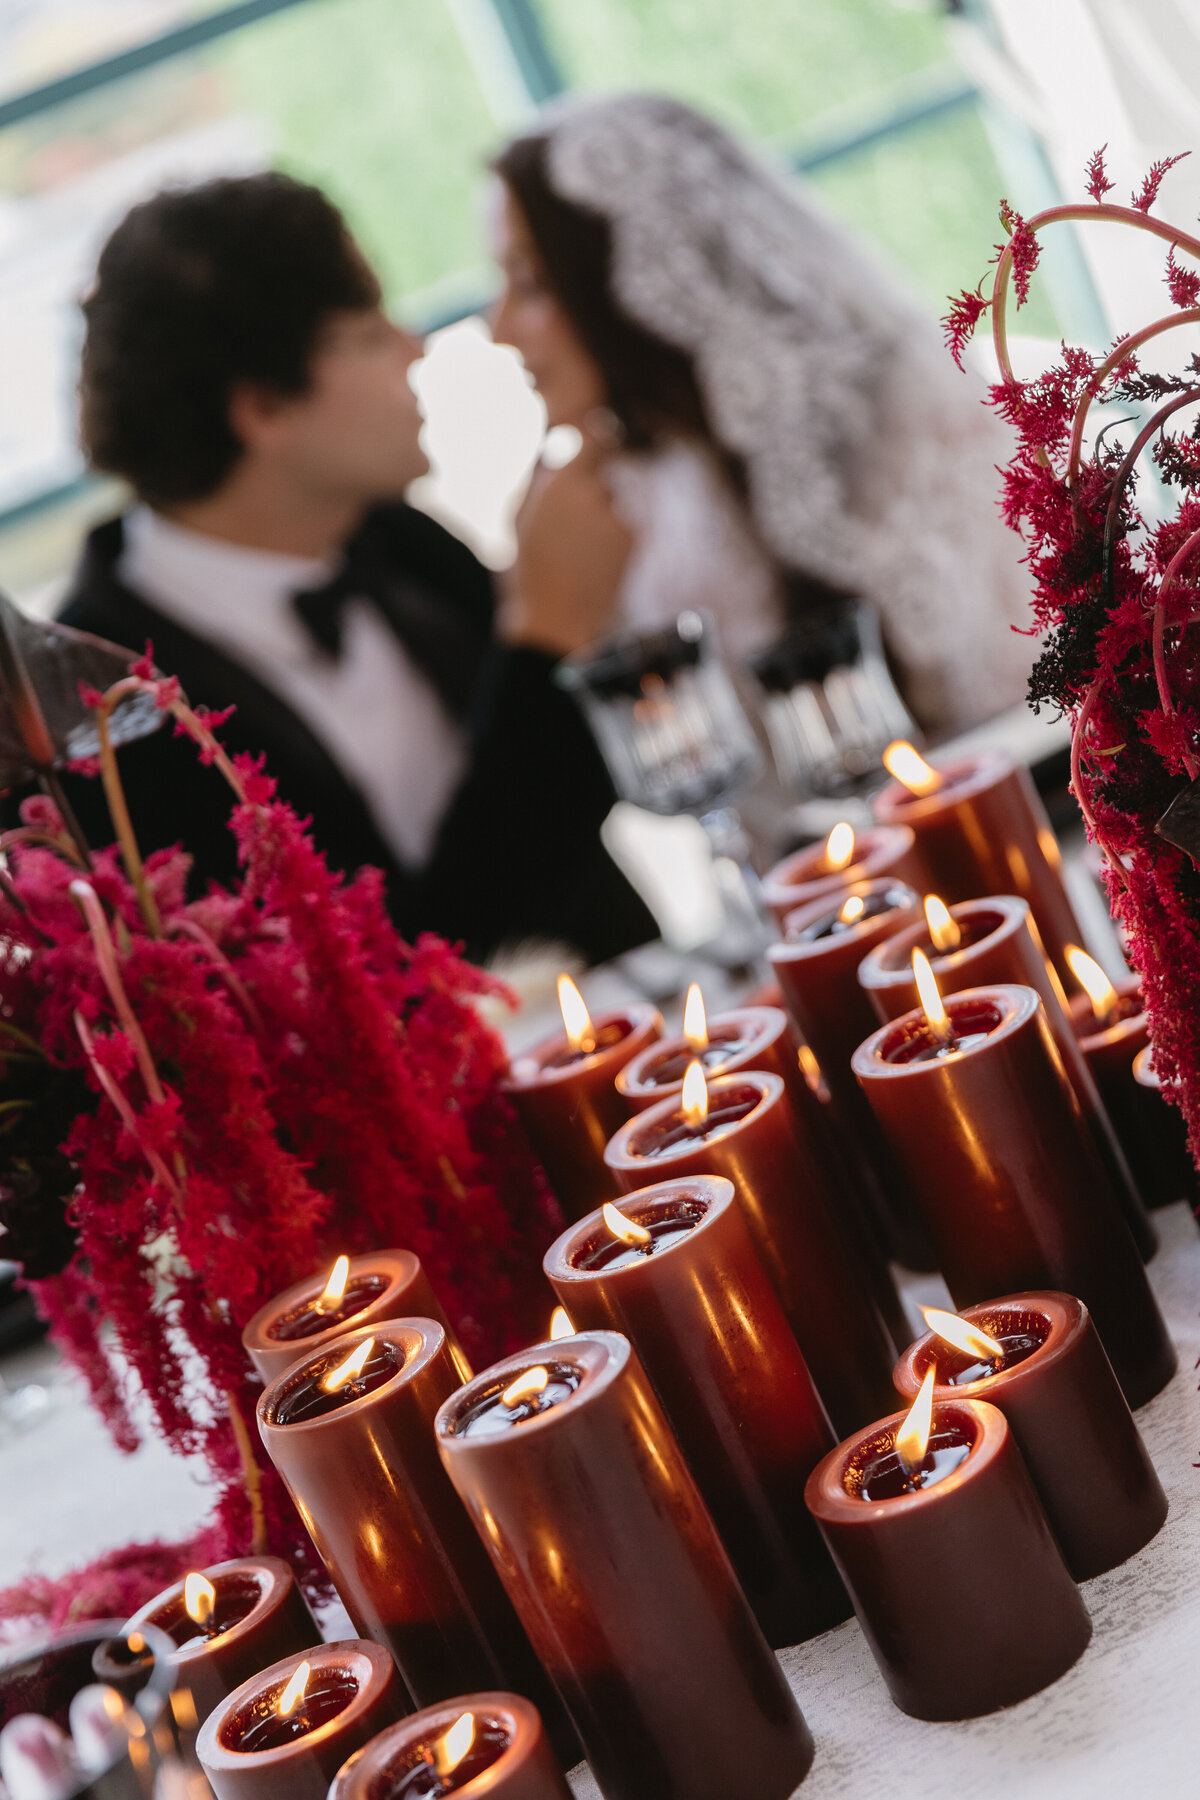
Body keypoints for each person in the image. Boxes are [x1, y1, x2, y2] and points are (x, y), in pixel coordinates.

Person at [46, 172, 653, 964]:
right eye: (369, 334)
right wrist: (545, 638)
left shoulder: (395, 539)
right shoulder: (99, 725)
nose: (416, 347)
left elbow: (583, 802)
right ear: (262, 409)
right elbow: (389, 984)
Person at [490, 92, 1036, 733]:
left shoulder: (893, 411)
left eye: (529, 285)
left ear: (638, 277)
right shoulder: (607, 509)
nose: (499, 329)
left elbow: (1028, 681)